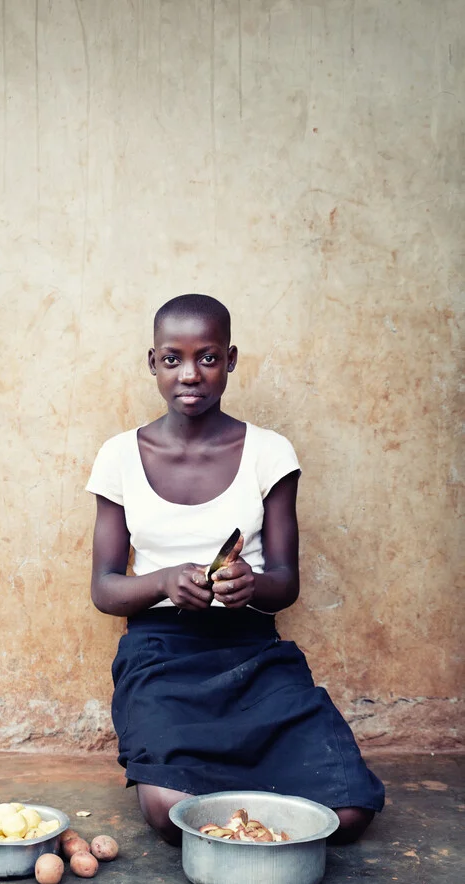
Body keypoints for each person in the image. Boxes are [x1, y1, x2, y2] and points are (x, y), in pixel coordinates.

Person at [86, 294, 384, 846]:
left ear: (231, 359)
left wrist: (252, 586)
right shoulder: (120, 456)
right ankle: (249, 802)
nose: (190, 374)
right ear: (152, 363)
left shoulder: (269, 453)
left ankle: (251, 795)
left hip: (253, 654)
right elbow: (104, 588)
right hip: (160, 657)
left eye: (209, 357)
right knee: (171, 811)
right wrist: (162, 582)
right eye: (172, 359)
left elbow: (284, 584)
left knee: (348, 810)